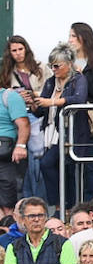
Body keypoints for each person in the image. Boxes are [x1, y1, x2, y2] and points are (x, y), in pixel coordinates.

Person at [35, 44, 89, 210]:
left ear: (69, 64)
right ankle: (60, 205)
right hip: (52, 132)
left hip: (71, 132)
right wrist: (35, 104)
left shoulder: (78, 79)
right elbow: (42, 108)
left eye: (57, 65)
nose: (53, 69)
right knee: (50, 165)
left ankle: (68, 207)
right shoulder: (51, 82)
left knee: (67, 169)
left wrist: (52, 102)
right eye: (51, 65)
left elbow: (79, 99)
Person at [4, 37, 51, 200]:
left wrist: (32, 95)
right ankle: (23, 201)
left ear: (26, 49)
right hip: (15, 117)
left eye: (20, 49)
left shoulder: (40, 67)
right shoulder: (6, 71)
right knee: (18, 162)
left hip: (37, 115)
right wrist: (16, 96)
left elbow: (52, 89)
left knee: (36, 160)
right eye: (14, 50)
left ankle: (37, 200)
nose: (18, 54)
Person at [68, 23, 93, 202]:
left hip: (91, 118)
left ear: (83, 38)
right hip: (71, 118)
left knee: (90, 164)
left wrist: (80, 75)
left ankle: (91, 205)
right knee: (70, 163)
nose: (70, 40)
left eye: (73, 36)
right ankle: (71, 204)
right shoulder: (67, 60)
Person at [0, 75, 31, 218]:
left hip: (6, 152)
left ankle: (8, 231)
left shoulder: (10, 96)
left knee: (8, 199)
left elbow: (24, 123)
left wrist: (21, 146)